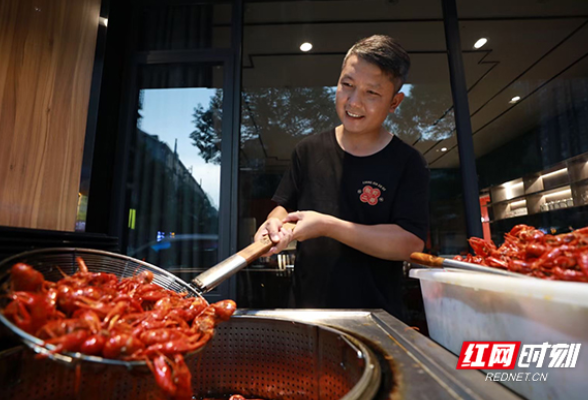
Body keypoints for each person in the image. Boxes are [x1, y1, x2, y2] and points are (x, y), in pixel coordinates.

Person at [254, 35, 430, 319]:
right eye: (347, 85)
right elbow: (284, 204)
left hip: (375, 317)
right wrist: (274, 223)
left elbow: (410, 243)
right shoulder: (308, 150)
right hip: (305, 310)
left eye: (372, 93)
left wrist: (328, 226)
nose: (354, 101)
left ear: (395, 102)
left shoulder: (409, 163)